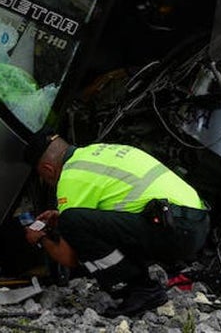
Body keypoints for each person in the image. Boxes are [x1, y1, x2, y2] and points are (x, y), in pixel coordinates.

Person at [22, 134, 210, 317]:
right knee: (73, 221)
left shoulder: (71, 178)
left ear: (47, 169)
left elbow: (70, 257)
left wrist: (41, 238)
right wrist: (61, 217)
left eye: (44, 178)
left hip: (176, 230)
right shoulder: (97, 152)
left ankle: (142, 289)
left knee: (71, 222)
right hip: (195, 221)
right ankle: (137, 285)